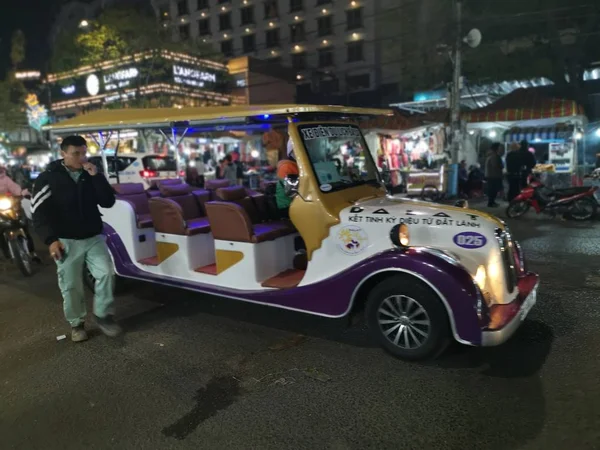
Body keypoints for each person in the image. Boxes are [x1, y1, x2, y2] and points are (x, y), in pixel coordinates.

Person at [32, 135, 121, 342]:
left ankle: (103, 314)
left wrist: (97, 177)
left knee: (107, 273)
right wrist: (50, 240)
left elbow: (107, 202)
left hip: (93, 236)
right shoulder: (48, 178)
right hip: (66, 239)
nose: (81, 158)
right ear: (63, 154)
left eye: (84, 153)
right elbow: (39, 213)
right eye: (76, 154)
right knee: (71, 285)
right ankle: (77, 323)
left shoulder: (90, 173)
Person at [0, 166, 40, 262]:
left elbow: (14, 188)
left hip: (10, 206)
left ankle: (32, 252)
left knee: (23, 225)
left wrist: (21, 192)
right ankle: (7, 254)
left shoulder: (5, 179)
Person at [485, 143, 504, 207]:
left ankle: (492, 202)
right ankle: (491, 202)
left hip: (491, 175)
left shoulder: (490, 155)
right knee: (493, 190)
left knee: (492, 189)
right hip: (494, 175)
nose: (501, 149)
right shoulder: (494, 156)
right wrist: (501, 166)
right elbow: (495, 165)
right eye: (499, 147)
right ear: (497, 148)